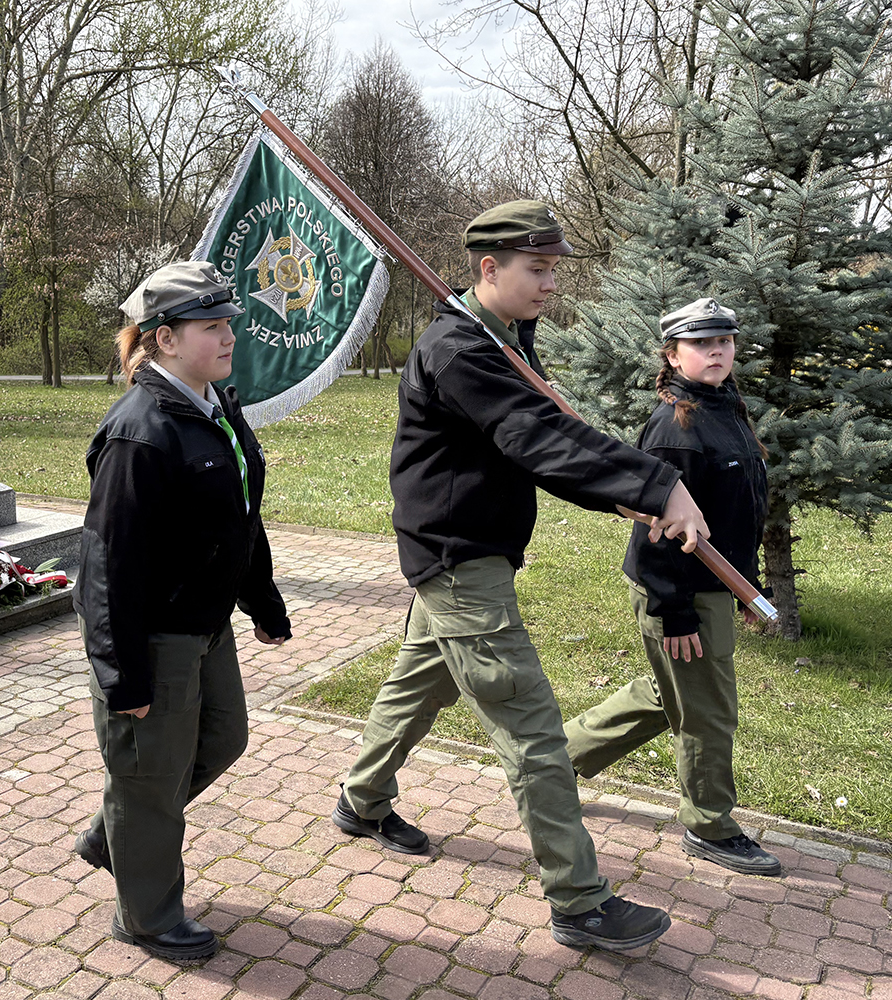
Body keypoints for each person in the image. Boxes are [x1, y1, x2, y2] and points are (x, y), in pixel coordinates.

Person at [332, 201, 712, 952]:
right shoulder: (460, 349)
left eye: (553, 270)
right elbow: (533, 435)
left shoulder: (503, 339)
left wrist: (622, 491)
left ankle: (361, 798)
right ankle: (578, 899)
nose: (549, 285)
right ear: (488, 268)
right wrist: (656, 483)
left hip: (467, 548)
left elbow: (543, 441)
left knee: (422, 682)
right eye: (537, 270)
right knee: (533, 732)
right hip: (459, 562)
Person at [72, 260, 293, 962]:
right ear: (164, 339)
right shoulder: (140, 431)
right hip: (156, 638)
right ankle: (146, 915)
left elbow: (239, 517)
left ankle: (121, 835)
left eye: (229, 322)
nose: (230, 335)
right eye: (212, 326)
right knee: (151, 779)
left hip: (206, 625)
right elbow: (106, 565)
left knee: (222, 740)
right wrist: (122, 676)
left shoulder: (214, 406)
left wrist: (262, 599)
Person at [564, 298, 780, 876]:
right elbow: (653, 531)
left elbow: (739, 516)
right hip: (680, 590)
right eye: (701, 344)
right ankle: (709, 826)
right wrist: (674, 613)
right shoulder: (675, 426)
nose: (716, 351)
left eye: (725, 342)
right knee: (707, 712)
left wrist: (750, 592)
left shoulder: (724, 405)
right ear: (672, 354)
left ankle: (555, 762)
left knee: (671, 695)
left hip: (713, 585)